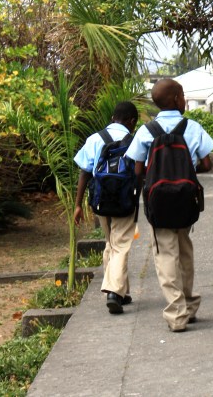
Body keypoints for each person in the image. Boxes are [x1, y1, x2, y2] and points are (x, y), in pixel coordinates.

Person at [125, 79, 213, 332]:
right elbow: (207, 165)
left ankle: (176, 313)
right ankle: (188, 304)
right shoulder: (192, 127)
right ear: (177, 98)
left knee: (165, 254)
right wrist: (186, 169)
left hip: (159, 201)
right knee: (185, 250)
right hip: (186, 199)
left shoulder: (146, 131)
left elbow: (137, 168)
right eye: (184, 95)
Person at [73, 101, 139, 315]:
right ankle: (113, 292)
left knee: (110, 242)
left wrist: (77, 205)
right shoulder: (134, 140)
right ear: (132, 121)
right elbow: (141, 171)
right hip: (125, 201)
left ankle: (122, 292)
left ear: (112, 118)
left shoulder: (94, 139)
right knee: (121, 245)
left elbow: (84, 172)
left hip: (101, 201)